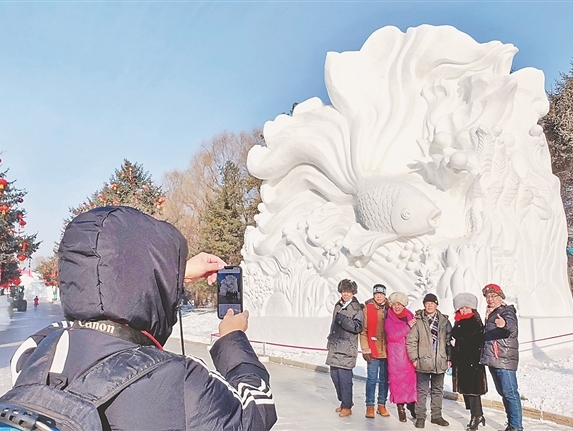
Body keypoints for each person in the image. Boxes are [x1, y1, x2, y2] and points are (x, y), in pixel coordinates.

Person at [9, 206, 277, 431]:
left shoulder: (37, 351)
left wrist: (168, 278)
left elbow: (89, 303)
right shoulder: (181, 380)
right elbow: (254, 412)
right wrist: (232, 338)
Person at [480, 283, 523, 431]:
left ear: (501, 297)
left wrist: (504, 324)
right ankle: (511, 424)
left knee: (510, 393)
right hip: (494, 359)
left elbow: (511, 325)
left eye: (494, 296)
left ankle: (516, 427)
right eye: (488, 296)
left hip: (504, 359)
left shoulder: (506, 311)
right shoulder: (490, 313)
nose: (490, 299)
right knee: (504, 393)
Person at [406, 293, 452, 428]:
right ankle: (420, 416)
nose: (430, 305)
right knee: (422, 390)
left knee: (438, 390)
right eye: (427, 303)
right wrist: (414, 358)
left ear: (436, 305)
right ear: (424, 305)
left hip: (439, 361)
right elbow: (411, 341)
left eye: (432, 303)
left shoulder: (444, 321)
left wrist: (449, 358)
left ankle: (436, 416)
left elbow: (449, 341)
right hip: (423, 361)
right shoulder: (418, 320)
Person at [326, 278, 364, 417]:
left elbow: (358, 327)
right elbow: (333, 325)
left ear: (353, 293)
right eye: (343, 291)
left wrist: (343, 319)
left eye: (348, 292)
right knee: (334, 376)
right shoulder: (338, 305)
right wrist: (330, 339)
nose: (345, 294)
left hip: (347, 348)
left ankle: (347, 406)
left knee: (345, 379)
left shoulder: (356, 308)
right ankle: (344, 401)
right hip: (335, 346)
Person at [450, 293, 488, 430]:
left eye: (467, 307)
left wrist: (457, 343)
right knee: (468, 391)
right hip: (462, 362)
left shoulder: (474, 321)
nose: (464, 310)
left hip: (472, 363)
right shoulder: (459, 321)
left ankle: (476, 416)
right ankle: (477, 414)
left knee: (473, 391)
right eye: (462, 308)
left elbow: (475, 342)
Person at [385, 291, 417, 422]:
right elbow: (393, 336)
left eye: (399, 304)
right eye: (394, 304)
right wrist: (407, 326)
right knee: (398, 382)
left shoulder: (410, 316)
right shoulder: (389, 319)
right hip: (396, 356)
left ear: (404, 305)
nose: (396, 307)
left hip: (409, 354)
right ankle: (400, 407)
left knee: (411, 382)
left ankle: (412, 404)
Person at [359, 283, 390, 418]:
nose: (379, 297)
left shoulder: (390, 308)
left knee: (385, 380)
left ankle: (382, 405)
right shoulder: (368, 308)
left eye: (381, 294)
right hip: (373, 350)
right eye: (377, 294)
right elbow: (363, 331)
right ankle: (370, 405)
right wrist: (365, 349)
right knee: (371, 379)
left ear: (384, 295)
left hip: (388, 351)